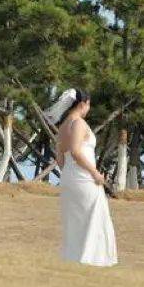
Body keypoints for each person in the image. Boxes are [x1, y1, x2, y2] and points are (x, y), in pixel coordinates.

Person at [46, 88, 118, 266]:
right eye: (89, 104)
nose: (89, 108)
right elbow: (77, 151)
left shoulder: (63, 126)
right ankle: (91, 258)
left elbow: (60, 157)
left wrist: (68, 172)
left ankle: (76, 256)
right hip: (84, 178)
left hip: (70, 177)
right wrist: (94, 173)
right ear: (82, 104)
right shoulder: (77, 123)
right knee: (93, 215)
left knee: (76, 219)